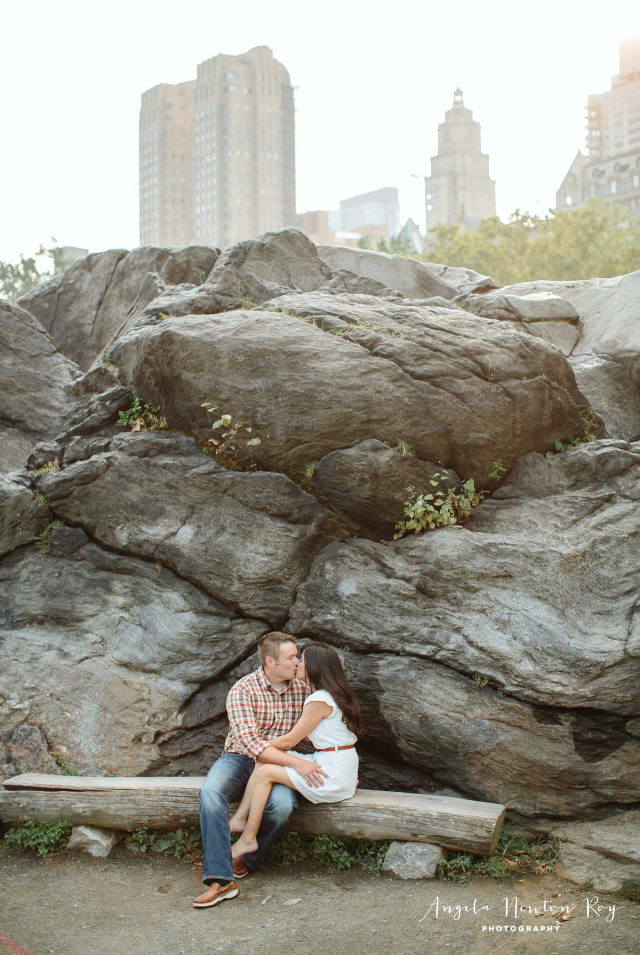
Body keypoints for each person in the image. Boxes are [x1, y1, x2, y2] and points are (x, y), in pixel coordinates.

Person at [193, 631, 328, 909]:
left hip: (279, 763)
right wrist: (297, 762)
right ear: (270, 661)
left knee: (281, 807)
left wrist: (341, 765)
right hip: (240, 759)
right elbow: (251, 745)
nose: (297, 663)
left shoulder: (304, 689)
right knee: (210, 792)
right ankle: (221, 878)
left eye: (297, 656)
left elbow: (324, 731)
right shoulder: (242, 690)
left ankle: (247, 856)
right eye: (291, 657)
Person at [229, 642, 363, 863]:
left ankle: (248, 838)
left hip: (331, 772)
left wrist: (259, 743)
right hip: (336, 762)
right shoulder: (330, 696)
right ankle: (240, 819)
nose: (297, 663)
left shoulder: (318, 699)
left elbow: (292, 739)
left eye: (302, 659)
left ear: (314, 667)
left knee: (264, 770)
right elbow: (320, 737)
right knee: (265, 763)